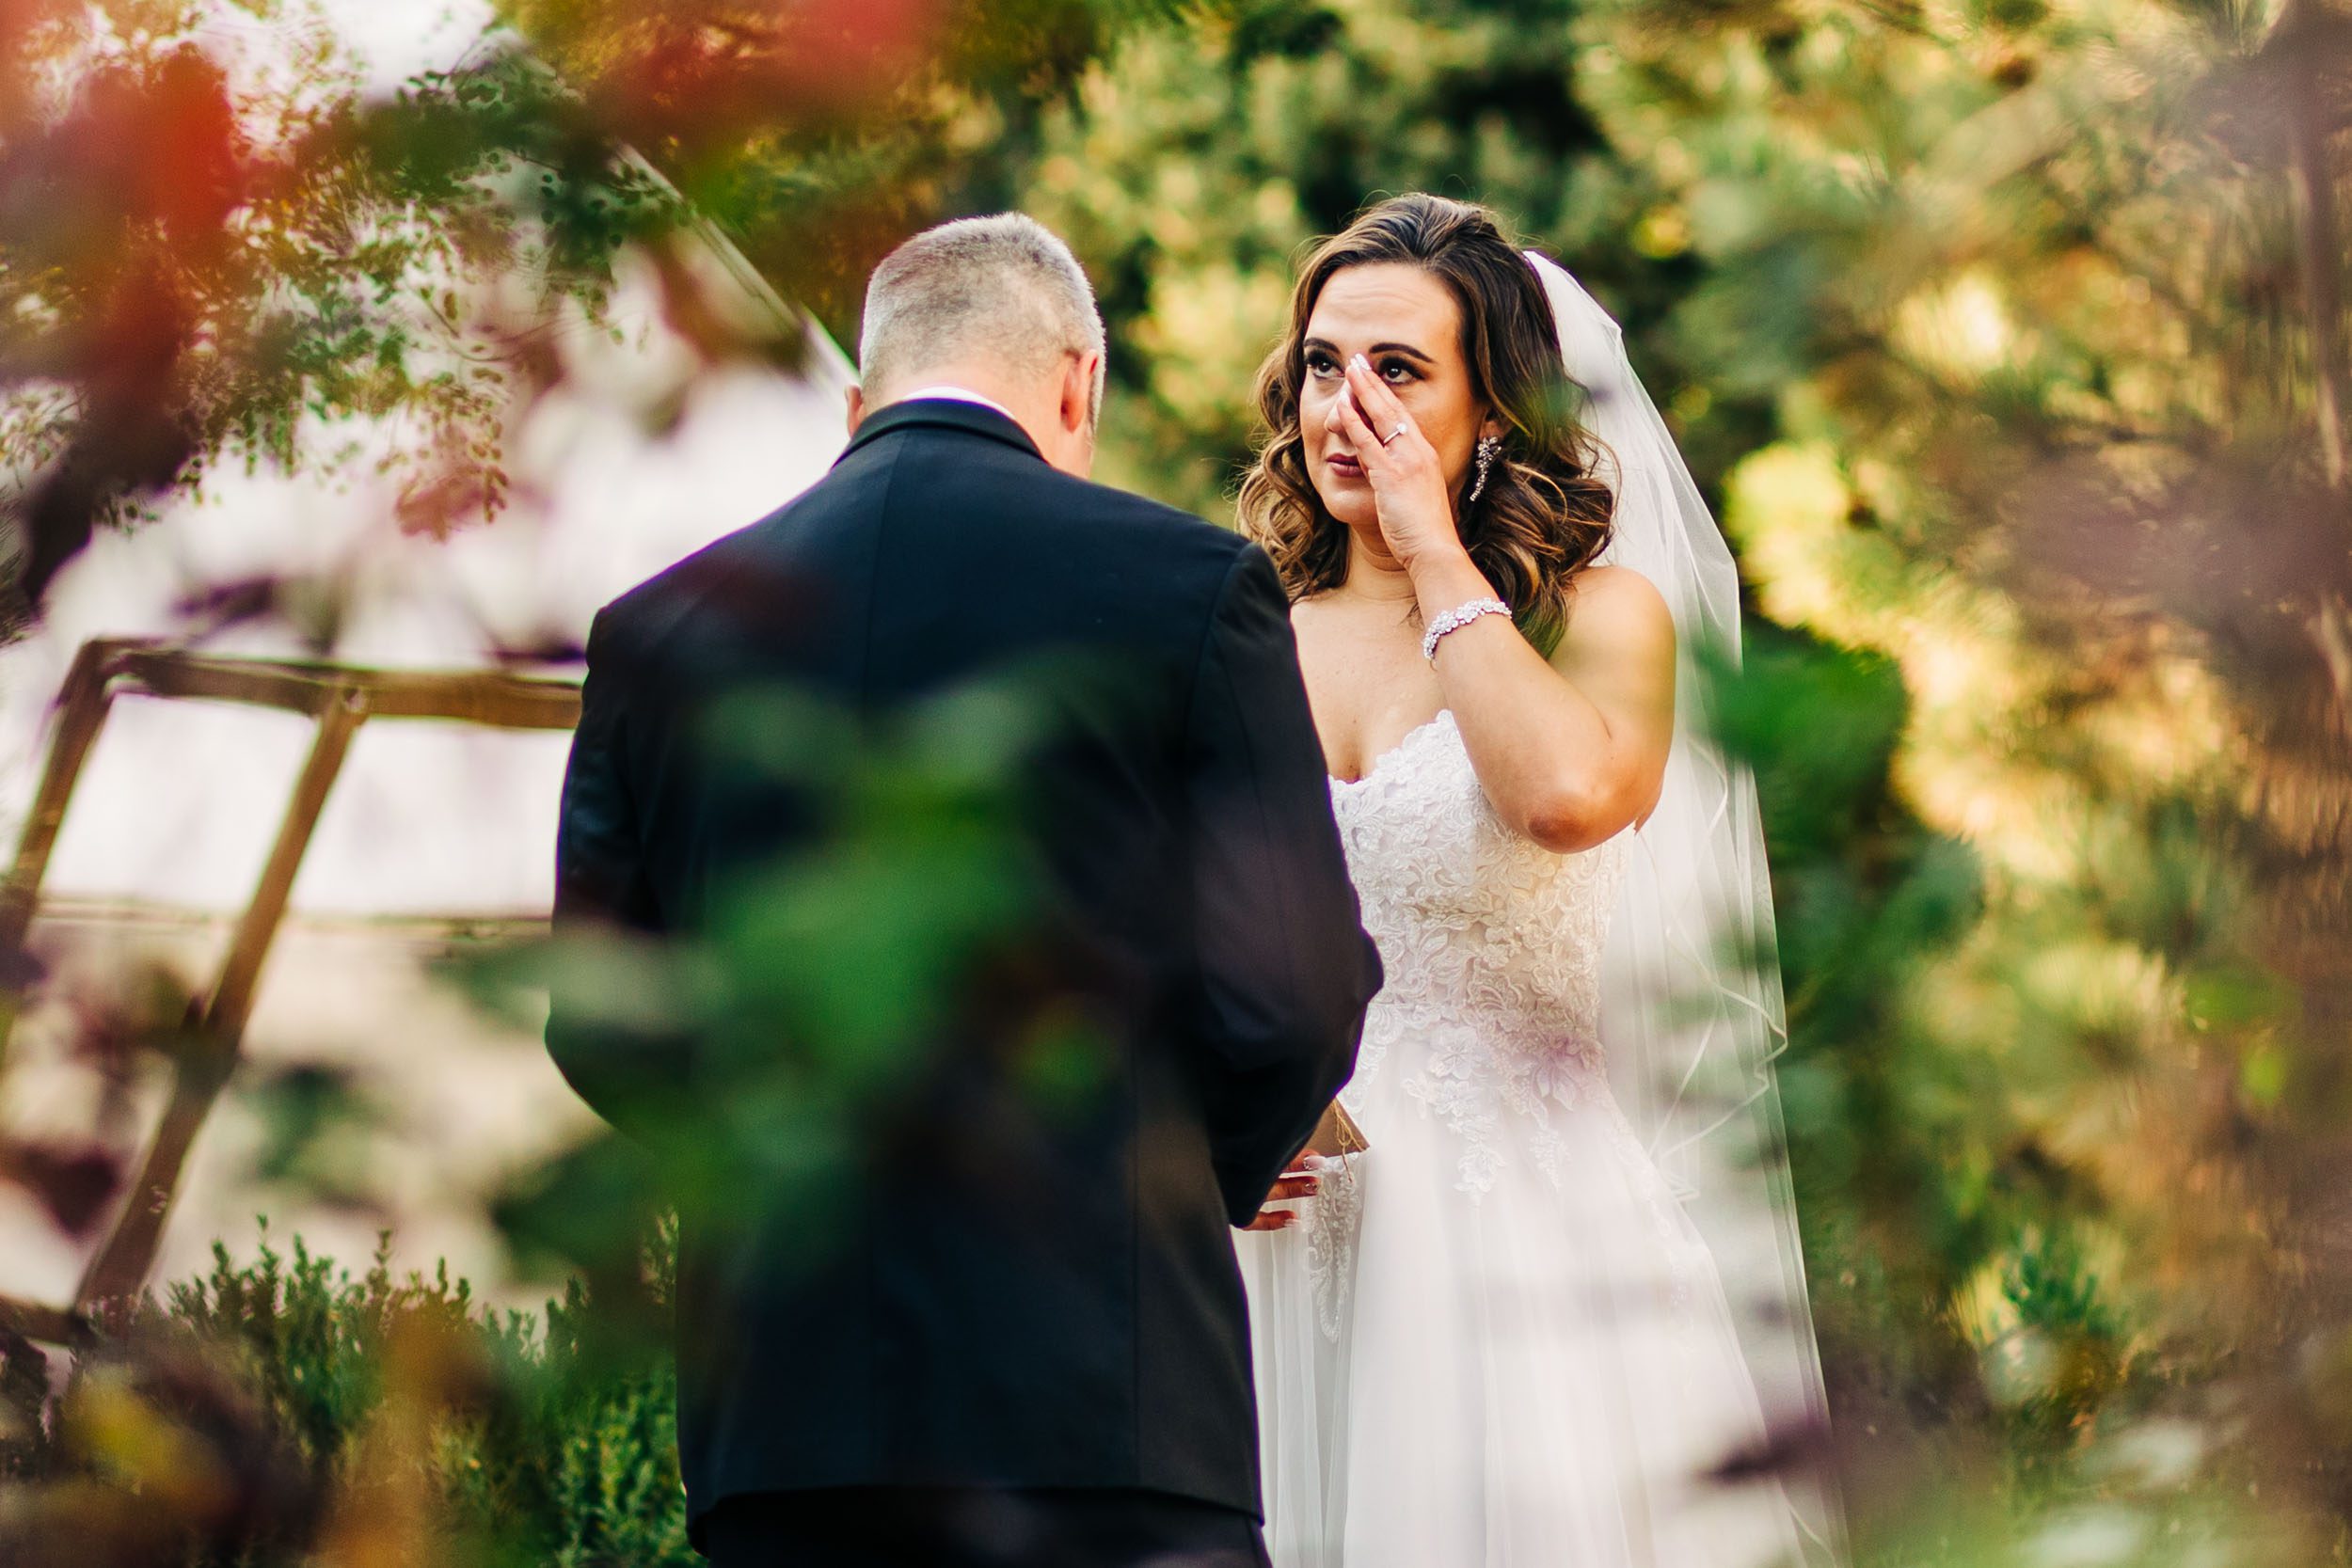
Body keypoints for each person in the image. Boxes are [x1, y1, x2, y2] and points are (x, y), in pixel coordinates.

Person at [546, 213, 1382, 1568]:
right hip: (1104, 1404)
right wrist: (1175, 1173)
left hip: (784, 1418)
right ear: (1078, 382)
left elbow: (600, 1023)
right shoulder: (1191, 588)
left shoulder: (659, 632)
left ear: (858, 399)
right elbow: (1290, 988)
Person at [1232, 194, 1844, 1566]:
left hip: (1517, 1240)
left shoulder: (1601, 616)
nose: (1348, 406)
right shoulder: (1245, 623)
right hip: (1282, 1221)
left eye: (1399, 372)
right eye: (1325, 364)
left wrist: (1433, 552)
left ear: (1491, 410)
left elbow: (1566, 799)